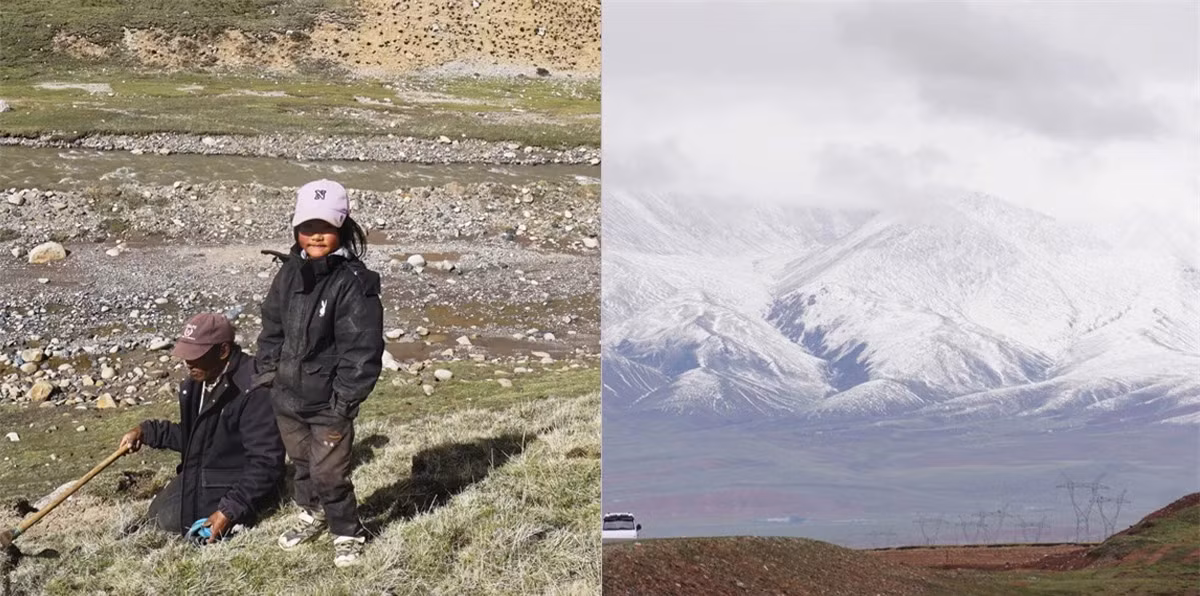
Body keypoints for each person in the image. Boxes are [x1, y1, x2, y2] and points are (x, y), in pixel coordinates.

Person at [254, 179, 384, 568]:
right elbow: (271, 326)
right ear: (295, 229)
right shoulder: (289, 273)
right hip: (287, 397)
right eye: (307, 227)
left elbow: (362, 351)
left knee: (331, 473)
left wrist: (343, 403)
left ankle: (347, 531)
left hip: (330, 405)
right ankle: (311, 513)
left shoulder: (354, 284)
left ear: (342, 227)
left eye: (325, 228)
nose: (315, 236)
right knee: (303, 464)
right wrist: (267, 375)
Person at [118, 312, 286, 543]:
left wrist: (229, 510)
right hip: (203, 474)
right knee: (155, 514)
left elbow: (265, 462)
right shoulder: (198, 382)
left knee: (166, 523)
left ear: (223, 351)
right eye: (187, 355)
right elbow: (195, 437)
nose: (188, 363)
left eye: (196, 356)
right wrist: (147, 431)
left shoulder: (253, 390)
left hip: (232, 487)